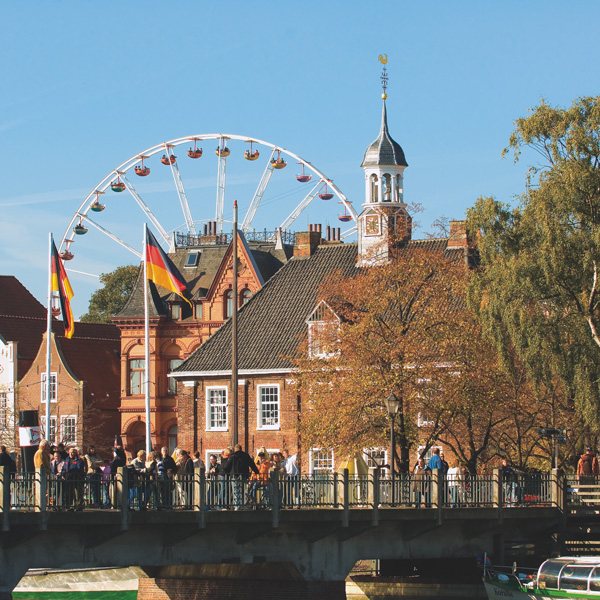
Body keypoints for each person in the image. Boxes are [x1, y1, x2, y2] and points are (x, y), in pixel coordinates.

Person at [222, 444, 259, 509]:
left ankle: (237, 506)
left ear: (235, 449)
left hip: (234, 475)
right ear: (241, 449)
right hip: (244, 475)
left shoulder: (233, 456)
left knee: (236, 490)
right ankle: (242, 505)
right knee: (242, 490)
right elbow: (252, 464)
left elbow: (226, 467)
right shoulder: (246, 455)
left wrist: (225, 471)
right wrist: (256, 471)